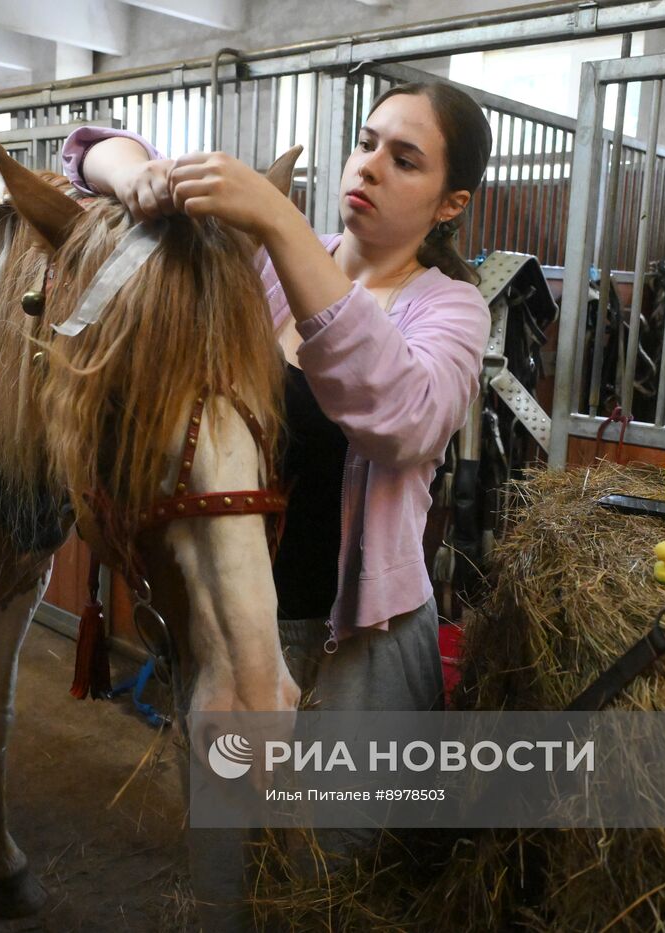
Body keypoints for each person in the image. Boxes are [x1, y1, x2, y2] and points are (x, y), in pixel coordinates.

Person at [61, 80, 493, 713]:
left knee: (347, 783)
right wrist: (137, 176)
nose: (369, 167)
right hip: (235, 617)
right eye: (366, 144)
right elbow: (89, 152)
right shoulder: (259, 266)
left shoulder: (452, 308)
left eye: (404, 161)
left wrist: (280, 219)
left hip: (361, 643)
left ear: (451, 204)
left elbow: (405, 422)